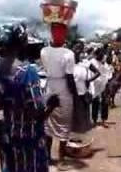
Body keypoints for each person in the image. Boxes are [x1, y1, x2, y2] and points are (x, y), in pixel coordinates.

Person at [0, 23, 59, 172]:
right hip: (28, 139)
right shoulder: (28, 72)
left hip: (8, 136)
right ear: (22, 44)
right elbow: (38, 115)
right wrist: (52, 104)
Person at [40, 23, 78, 171]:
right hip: (64, 89)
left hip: (49, 88)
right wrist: (76, 95)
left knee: (48, 123)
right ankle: (61, 160)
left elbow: (46, 69)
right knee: (64, 124)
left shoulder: (43, 51)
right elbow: (69, 78)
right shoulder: (69, 53)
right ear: (64, 35)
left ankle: (48, 158)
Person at [71, 40, 100, 144]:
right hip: (71, 96)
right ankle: (71, 140)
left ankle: (79, 139)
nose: (77, 50)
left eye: (80, 48)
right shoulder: (68, 64)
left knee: (82, 118)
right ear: (71, 49)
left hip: (82, 95)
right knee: (72, 118)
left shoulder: (85, 63)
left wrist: (89, 80)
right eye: (76, 47)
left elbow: (97, 73)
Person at [90, 47, 110, 127]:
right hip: (94, 85)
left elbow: (107, 73)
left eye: (103, 54)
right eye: (100, 54)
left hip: (104, 84)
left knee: (105, 103)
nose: (102, 56)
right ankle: (94, 120)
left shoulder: (104, 63)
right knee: (95, 103)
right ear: (96, 54)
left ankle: (104, 120)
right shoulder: (92, 62)